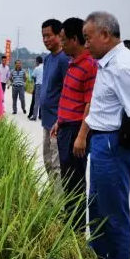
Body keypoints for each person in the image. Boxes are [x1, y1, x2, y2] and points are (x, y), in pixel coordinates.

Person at [83, 11, 130, 259]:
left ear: (104, 34)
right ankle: (100, 256)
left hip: (113, 146)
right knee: (98, 206)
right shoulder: (109, 61)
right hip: (102, 144)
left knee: (114, 213)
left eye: (88, 37)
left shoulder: (122, 65)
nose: (86, 44)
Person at [50, 18, 97, 232]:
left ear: (75, 40)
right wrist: (59, 121)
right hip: (65, 127)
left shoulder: (89, 65)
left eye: (64, 40)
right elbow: (70, 97)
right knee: (67, 179)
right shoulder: (72, 62)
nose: (62, 44)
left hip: (75, 132)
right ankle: (69, 222)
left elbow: (90, 103)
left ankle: (76, 231)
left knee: (75, 182)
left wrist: (81, 136)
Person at [39, 19, 69, 180]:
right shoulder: (48, 59)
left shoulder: (64, 59)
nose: (45, 40)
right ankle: (51, 198)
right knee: (48, 162)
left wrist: (61, 119)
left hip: (58, 123)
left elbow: (68, 91)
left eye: (48, 35)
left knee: (57, 165)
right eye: (43, 36)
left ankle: (58, 203)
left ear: (59, 34)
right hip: (46, 120)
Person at [29, 56, 43, 121]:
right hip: (45, 85)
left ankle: (34, 116)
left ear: (37, 61)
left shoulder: (37, 68)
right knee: (42, 101)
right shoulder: (45, 67)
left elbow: (32, 76)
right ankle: (41, 115)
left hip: (38, 85)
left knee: (36, 102)